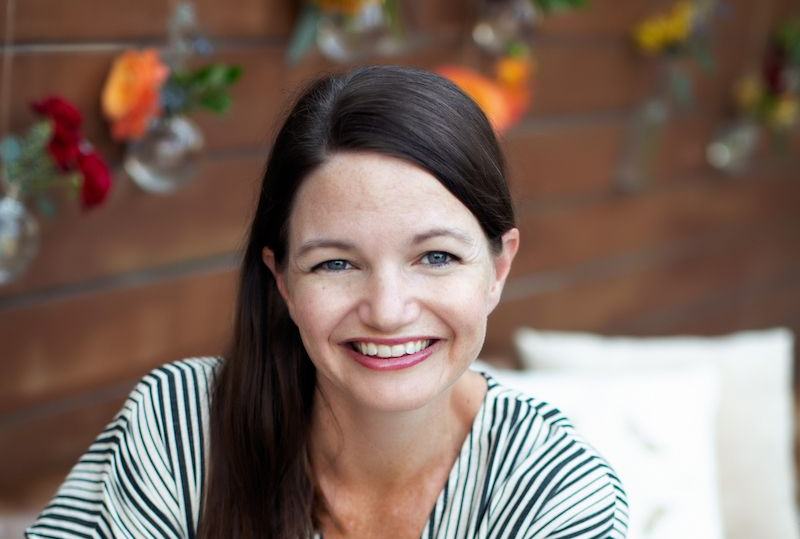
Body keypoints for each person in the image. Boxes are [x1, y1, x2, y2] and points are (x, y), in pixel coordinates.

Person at [26, 65, 628, 539]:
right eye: (336, 263)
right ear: (283, 279)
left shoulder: (559, 493)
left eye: (436, 257)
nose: (388, 310)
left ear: (498, 268)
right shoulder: (179, 426)